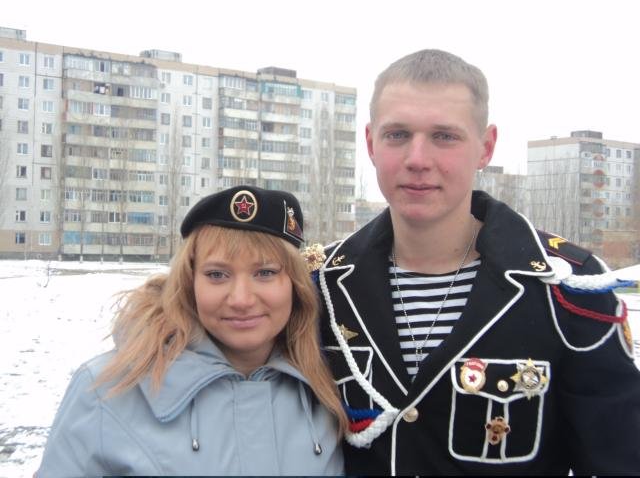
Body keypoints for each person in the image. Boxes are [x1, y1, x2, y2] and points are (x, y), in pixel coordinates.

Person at [316, 49, 640, 475]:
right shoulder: (322, 286)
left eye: (444, 136)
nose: (417, 159)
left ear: (485, 148)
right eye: (397, 134)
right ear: (371, 143)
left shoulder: (568, 288)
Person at [37, 185, 346, 476]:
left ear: (295, 284)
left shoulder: (329, 388)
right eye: (217, 274)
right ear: (189, 283)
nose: (241, 300)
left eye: (265, 272)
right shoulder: (105, 389)